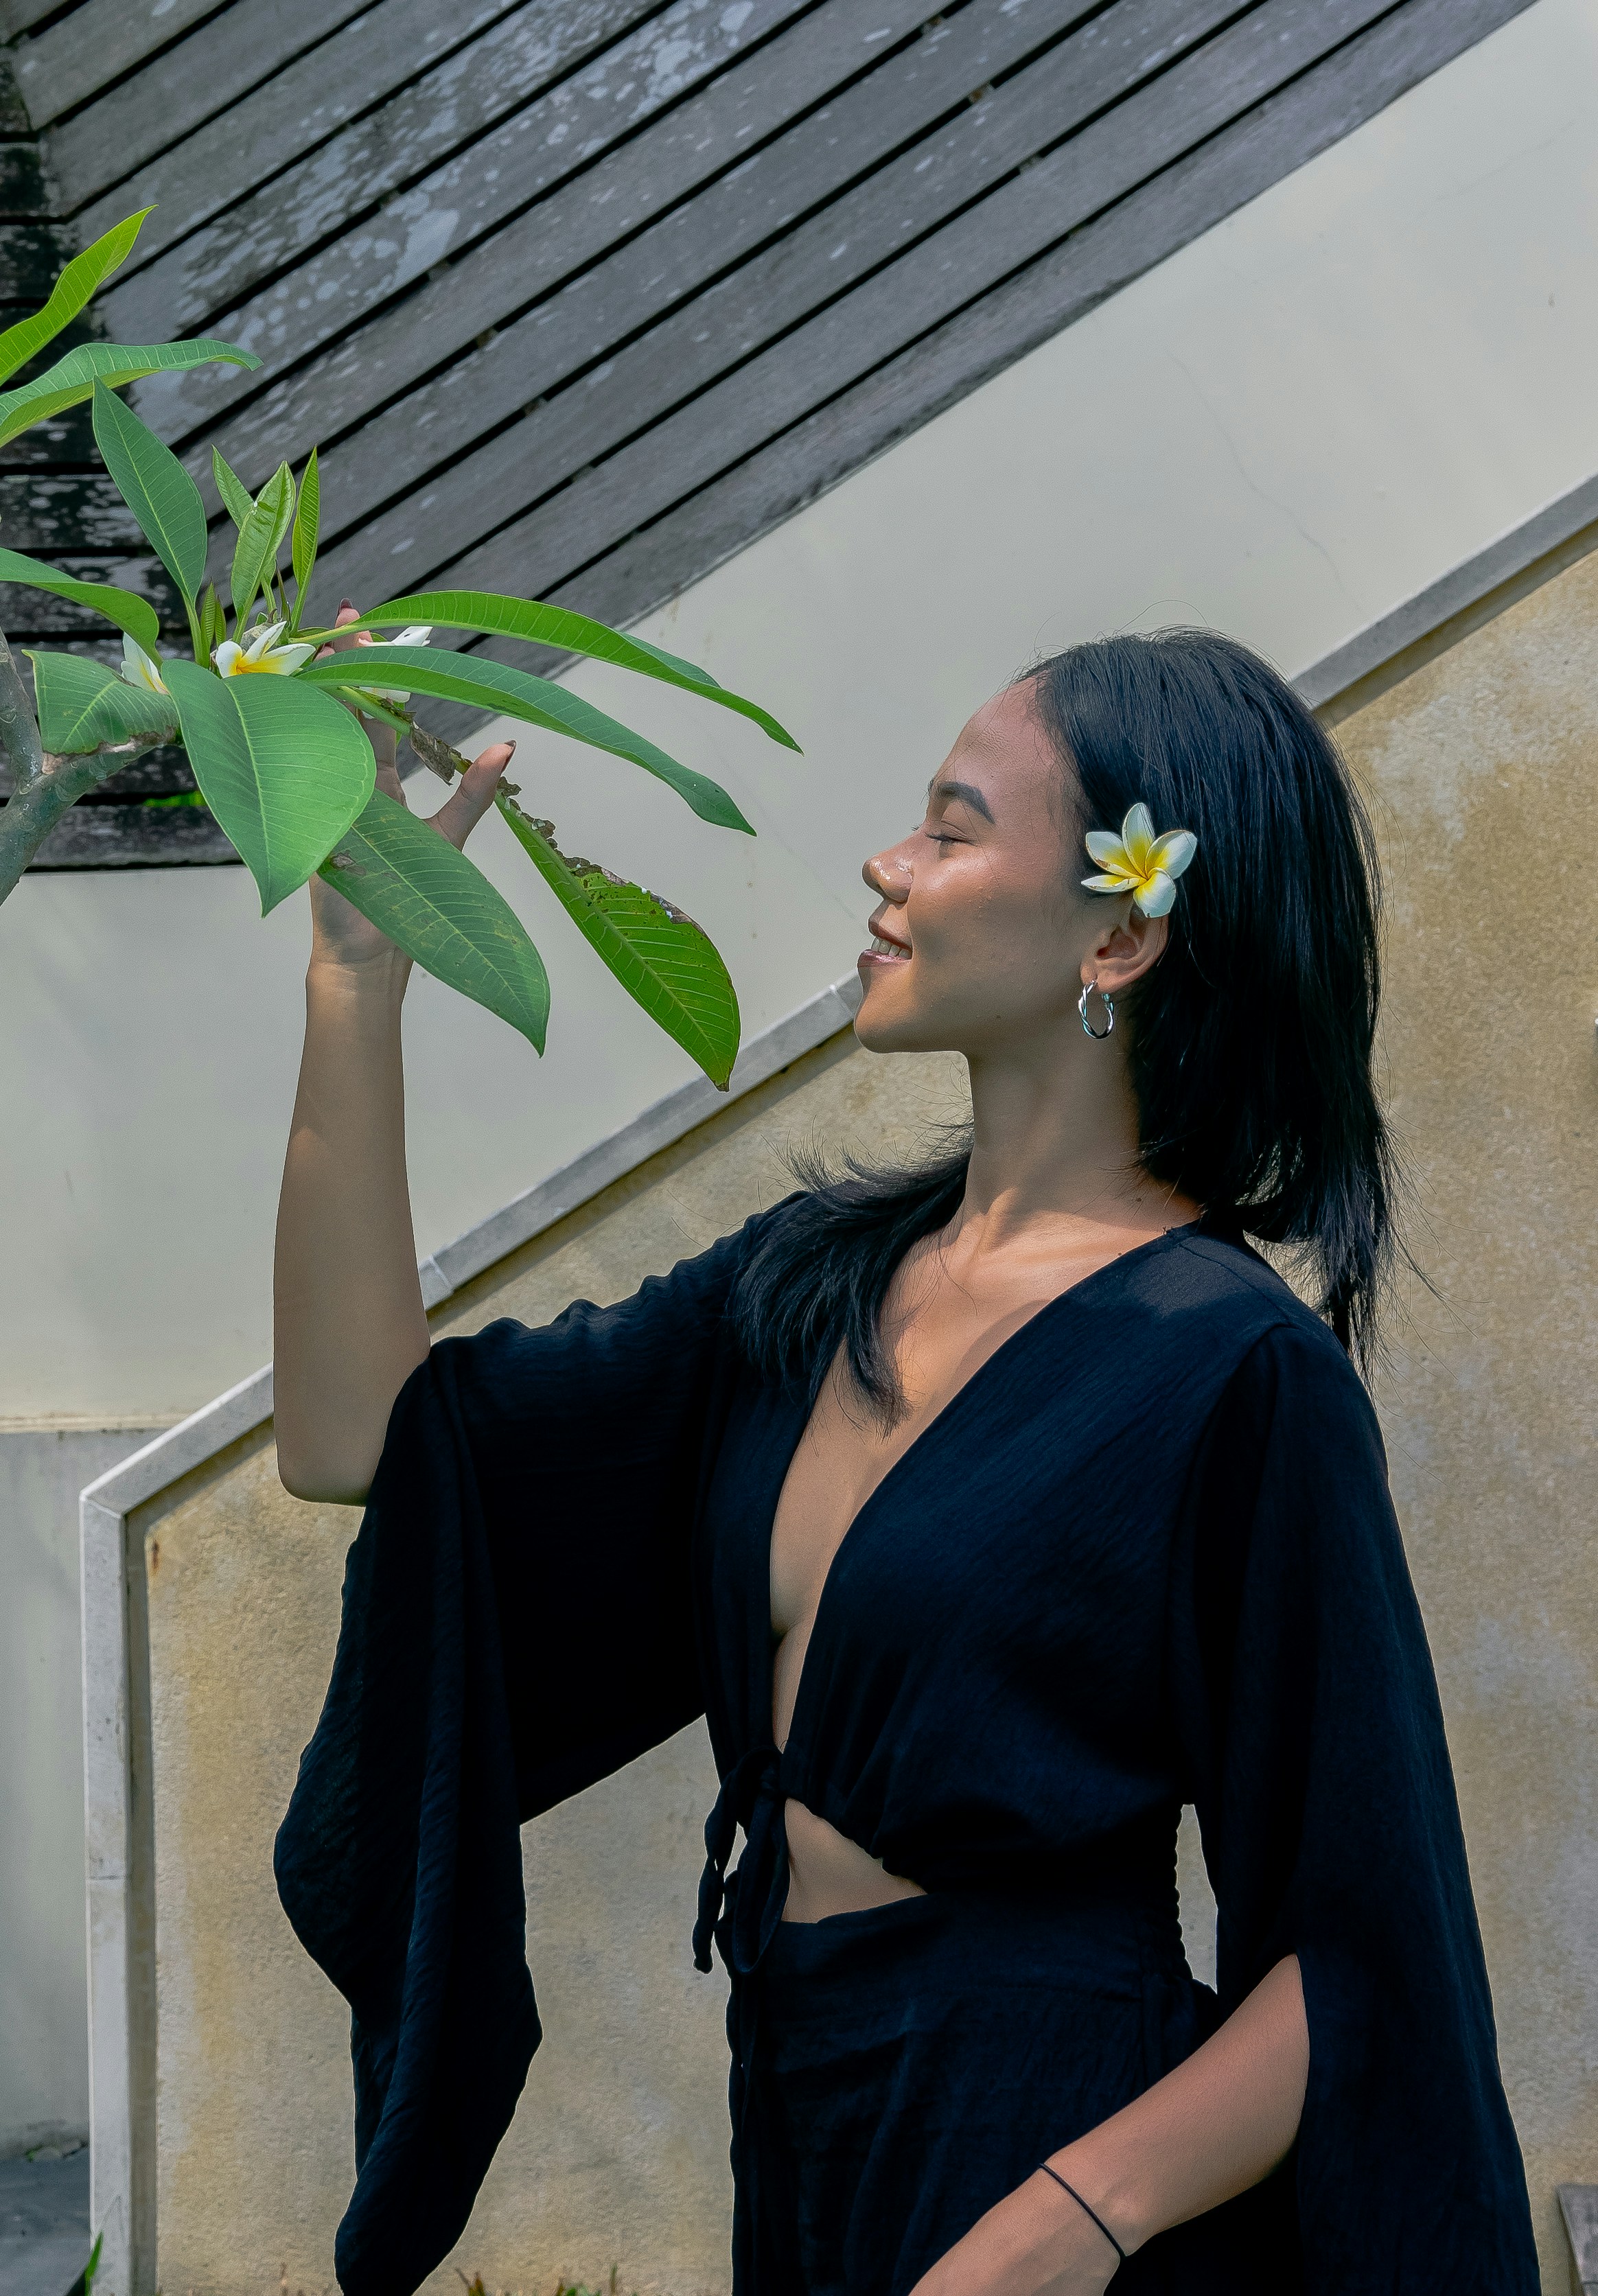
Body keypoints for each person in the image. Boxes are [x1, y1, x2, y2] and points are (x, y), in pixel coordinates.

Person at [273, 614, 1538, 2296]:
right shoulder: (802, 1292)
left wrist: (1067, 2225)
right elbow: (362, 1439)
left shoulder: (1233, 1373)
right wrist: (360, 976)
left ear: (1117, 930)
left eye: (951, 827)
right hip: (801, 2122)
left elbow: (1366, 1946)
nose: (889, 862)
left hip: (1055, 2157)